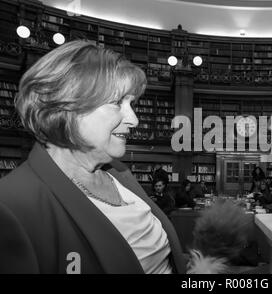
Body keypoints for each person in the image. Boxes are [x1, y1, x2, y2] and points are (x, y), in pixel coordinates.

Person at [0, 40, 185, 274]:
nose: (134, 120)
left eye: (132, 103)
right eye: (118, 102)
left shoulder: (119, 171)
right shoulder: (12, 205)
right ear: (66, 108)